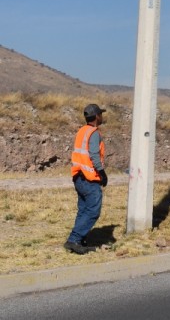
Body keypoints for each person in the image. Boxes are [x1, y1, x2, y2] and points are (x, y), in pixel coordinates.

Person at [66, 103, 107, 254]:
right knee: (93, 211)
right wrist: (102, 174)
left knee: (83, 210)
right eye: (101, 114)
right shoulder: (94, 133)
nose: (102, 117)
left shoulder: (82, 131)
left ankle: (79, 240)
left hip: (78, 177)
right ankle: (74, 239)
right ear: (96, 116)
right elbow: (94, 155)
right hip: (90, 178)